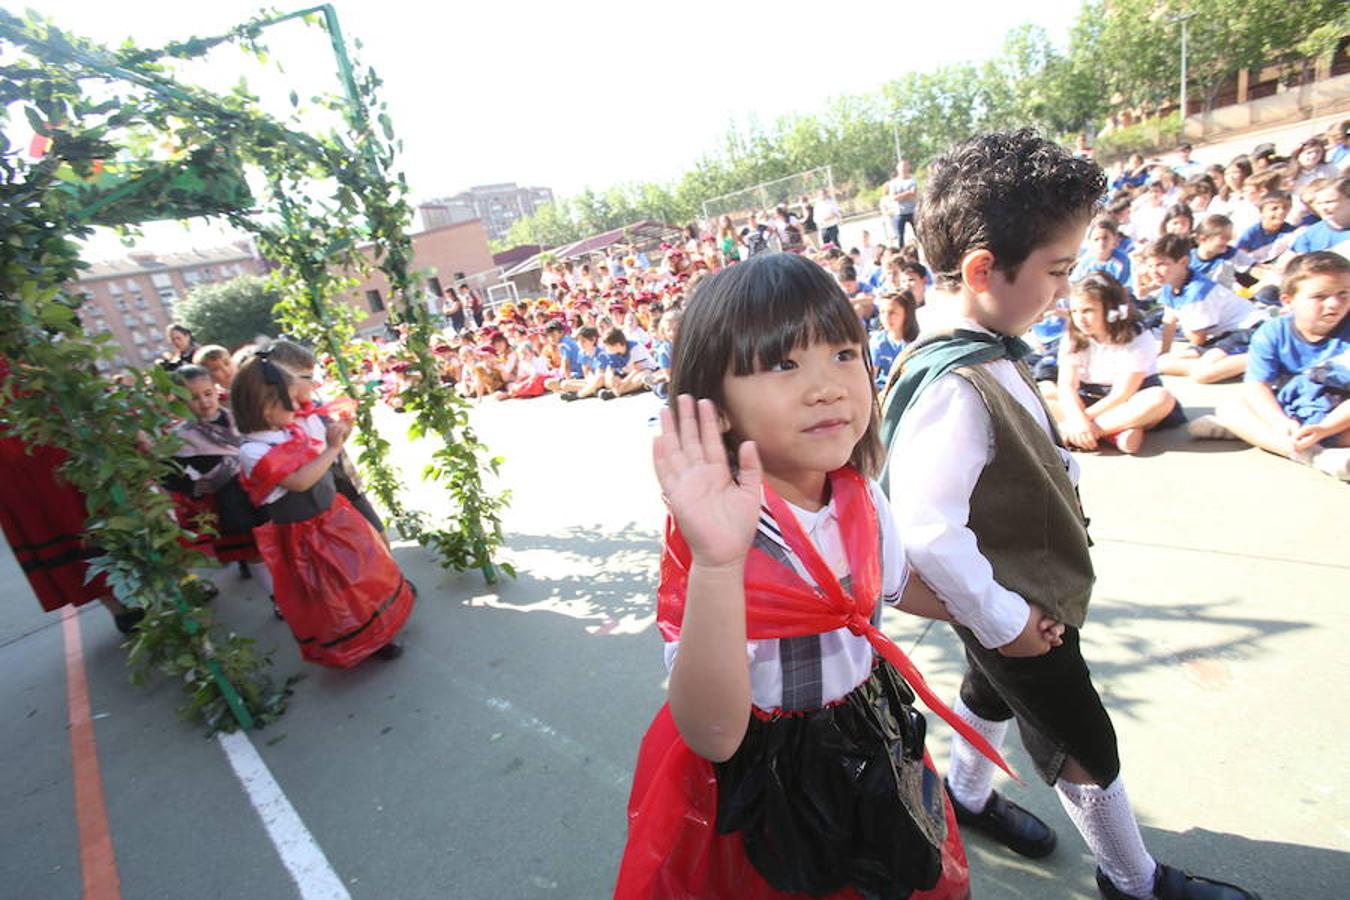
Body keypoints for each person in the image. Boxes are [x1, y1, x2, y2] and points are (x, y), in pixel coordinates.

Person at [880, 129, 1258, 900]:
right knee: (1084, 739)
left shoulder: (986, 348)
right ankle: (1133, 879)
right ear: (984, 269)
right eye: (1055, 271)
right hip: (1016, 606)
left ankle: (969, 795)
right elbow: (925, 530)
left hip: (1012, 593)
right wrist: (1004, 620)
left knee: (989, 694)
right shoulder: (956, 383)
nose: (1061, 289)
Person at [615, 251, 995, 899]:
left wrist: (995, 614)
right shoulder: (717, 534)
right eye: (784, 363)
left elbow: (896, 586)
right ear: (717, 406)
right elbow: (713, 733)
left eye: (845, 353)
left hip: (867, 729)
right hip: (768, 780)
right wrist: (715, 564)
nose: (827, 385)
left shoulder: (862, 496)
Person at [233, 351, 415, 667]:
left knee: (365, 574)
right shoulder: (253, 450)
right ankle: (362, 640)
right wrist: (332, 446)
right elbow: (301, 480)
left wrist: (340, 430)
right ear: (267, 408)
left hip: (333, 517)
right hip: (304, 535)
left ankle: (379, 631)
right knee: (335, 593)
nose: (299, 405)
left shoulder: (289, 428)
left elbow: (323, 437)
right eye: (290, 399)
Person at [1188, 251, 1350, 480]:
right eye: (1320, 296)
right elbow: (1257, 385)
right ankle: (1314, 457)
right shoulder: (1273, 332)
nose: (1334, 303)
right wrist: (1280, 421)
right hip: (1288, 413)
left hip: (1338, 418)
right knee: (1231, 407)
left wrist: (1325, 428)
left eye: (1343, 293)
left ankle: (1255, 434)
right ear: (1288, 301)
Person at [1041, 273, 1184, 454]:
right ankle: (1116, 432)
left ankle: (1079, 432)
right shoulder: (1073, 336)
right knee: (1044, 392)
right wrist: (1077, 418)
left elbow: (1122, 393)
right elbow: (1067, 385)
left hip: (1128, 399)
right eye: (1074, 311)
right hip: (1088, 395)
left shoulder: (1137, 336)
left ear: (1110, 309)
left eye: (1088, 311)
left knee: (1161, 398)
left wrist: (1082, 421)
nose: (1080, 319)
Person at [1150, 234, 1268, 383]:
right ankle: (1227, 368)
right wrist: (1164, 352)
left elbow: (1197, 339)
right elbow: (1169, 319)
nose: (1153, 271)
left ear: (1184, 262)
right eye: (1150, 265)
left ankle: (1267, 358)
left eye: (1161, 264)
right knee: (1162, 362)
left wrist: (1197, 353)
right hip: (1227, 335)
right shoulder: (1170, 283)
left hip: (1251, 330)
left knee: (1202, 374)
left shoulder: (1198, 292)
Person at [870, 290, 919, 390]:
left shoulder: (917, 342)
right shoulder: (878, 341)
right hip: (883, 390)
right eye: (882, 312)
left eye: (892, 312)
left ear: (907, 314)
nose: (886, 317)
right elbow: (871, 375)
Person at [596, 327, 658, 401]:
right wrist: (611, 378)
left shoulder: (635, 346)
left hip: (644, 370)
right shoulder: (612, 353)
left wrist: (624, 382)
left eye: (608, 346)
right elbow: (610, 369)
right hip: (628, 374)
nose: (606, 348)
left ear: (617, 344)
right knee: (610, 378)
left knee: (642, 376)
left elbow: (638, 368)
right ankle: (620, 389)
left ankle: (616, 392)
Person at [1071, 218, 1132, 286]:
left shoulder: (1122, 260)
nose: (1101, 243)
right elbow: (1074, 283)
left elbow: (1126, 286)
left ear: (1115, 240)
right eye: (1096, 239)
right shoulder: (1086, 263)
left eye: (1105, 238)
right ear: (1090, 242)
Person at [888, 159, 918, 246]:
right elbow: (893, 197)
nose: (904, 168)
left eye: (905, 166)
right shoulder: (893, 183)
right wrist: (907, 193)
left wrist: (900, 196)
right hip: (900, 213)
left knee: (919, 234)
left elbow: (913, 194)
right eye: (902, 166)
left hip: (913, 211)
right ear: (898, 169)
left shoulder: (912, 180)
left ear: (909, 167)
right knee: (900, 237)